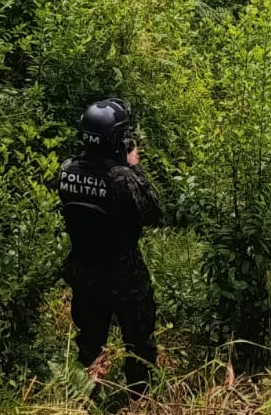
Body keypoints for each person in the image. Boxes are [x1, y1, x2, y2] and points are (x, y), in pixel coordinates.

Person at [57, 98, 163, 396]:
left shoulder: (67, 169)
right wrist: (135, 168)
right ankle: (139, 399)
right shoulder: (121, 178)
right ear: (116, 138)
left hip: (84, 272)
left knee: (90, 342)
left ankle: (86, 398)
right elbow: (153, 213)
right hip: (124, 276)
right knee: (139, 345)